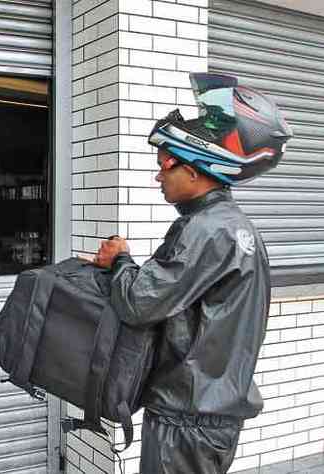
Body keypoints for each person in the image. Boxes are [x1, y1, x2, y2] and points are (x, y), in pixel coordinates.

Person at [93, 73, 293, 473]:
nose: (158, 176)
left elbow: (139, 302)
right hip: (210, 414)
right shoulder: (235, 226)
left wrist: (120, 259)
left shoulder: (206, 230)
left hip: (187, 417)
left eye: (165, 164)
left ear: (198, 169)